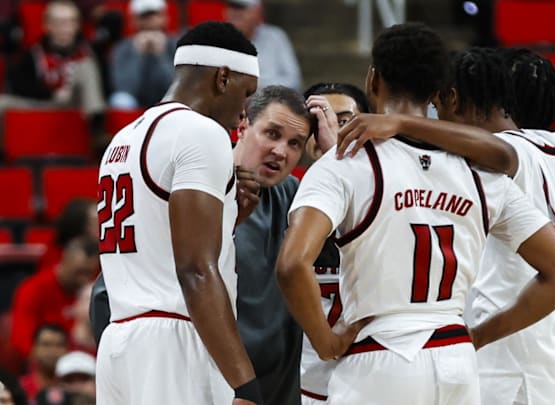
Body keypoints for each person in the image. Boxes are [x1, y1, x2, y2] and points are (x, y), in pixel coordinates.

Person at [277, 23, 555, 404]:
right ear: (437, 93)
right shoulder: (481, 174)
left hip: (380, 356)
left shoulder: (345, 163)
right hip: (457, 358)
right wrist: (478, 336)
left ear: (373, 80)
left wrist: (326, 343)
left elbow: (292, 264)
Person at [95, 21, 261, 405]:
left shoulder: (123, 137)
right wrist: (246, 384)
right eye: (246, 93)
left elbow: (155, 241)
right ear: (222, 78)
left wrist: (227, 219)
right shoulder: (201, 133)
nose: (244, 111)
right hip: (174, 342)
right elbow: (195, 270)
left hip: (120, 343)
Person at [232, 85, 333, 405]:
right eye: (271, 134)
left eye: (294, 144)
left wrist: (334, 160)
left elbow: (359, 234)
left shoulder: (294, 194)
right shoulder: (199, 189)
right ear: (243, 125)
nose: (281, 151)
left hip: (279, 391)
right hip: (218, 387)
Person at [297, 82, 369, 403]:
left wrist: (334, 158)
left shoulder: (390, 195)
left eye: (344, 121)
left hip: (374, 379)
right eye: (317, 122)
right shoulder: (285, 195)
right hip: (302, 385)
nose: (330, 130)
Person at [3, 0, 107, 151]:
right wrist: (51, 93)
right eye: (58, 23)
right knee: (2, 102)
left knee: (86, 67)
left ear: (77, 25)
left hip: (79, 103)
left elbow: (104, 85)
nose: (64, 28)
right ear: (47, 26)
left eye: (69, 22)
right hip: (46, 102)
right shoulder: (33, 54)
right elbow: (20, 85)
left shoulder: (90, 52)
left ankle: (97, 132)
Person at [11, 236, 99, 359]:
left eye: (89, 273)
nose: (83, 279)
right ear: (64, 260)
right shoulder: (33, 289)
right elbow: (21, 340)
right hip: (46, 365)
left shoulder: (91, 293)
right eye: (79, 272)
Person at [109, 0, 177, 109]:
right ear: (134, 20)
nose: (150, 20)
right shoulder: (123, 48)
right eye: (144, 16)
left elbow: (176, 86)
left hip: (167, 100)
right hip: (136, 102)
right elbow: (124, 88)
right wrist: (138, 55)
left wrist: (161, 55)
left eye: (154, 14)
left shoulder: (175, 44)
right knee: (120, 100)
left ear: (164, 17)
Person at [225, 0, 302, 90]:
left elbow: (294, 81)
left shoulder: (275, 37)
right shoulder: (219, 41)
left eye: (241, 8)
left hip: (270, 101)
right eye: (231, 7)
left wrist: (255, 85)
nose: (235, 13)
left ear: (257, 11)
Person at [18, 325, 68, 401]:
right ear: (34, 349)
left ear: (67, 350)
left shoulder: (73, 387)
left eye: (59, 345)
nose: (53, 351)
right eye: (46, 344)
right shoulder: (20, 388)